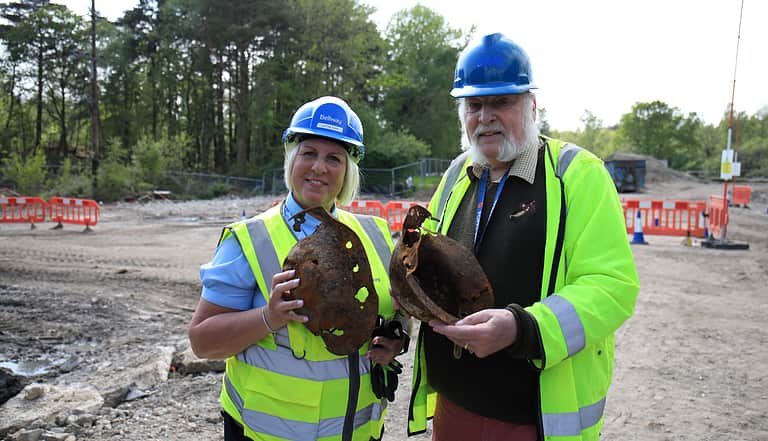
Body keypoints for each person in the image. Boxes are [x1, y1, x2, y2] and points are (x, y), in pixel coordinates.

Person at [406, 33, 640, 441]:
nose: (486, 116)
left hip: (532, 417)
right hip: (453, 407)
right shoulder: (458, 173)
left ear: (532, 105)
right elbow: (425, 263)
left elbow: (611, 287)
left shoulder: (577, 176)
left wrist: (522, 328)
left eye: (502, 102)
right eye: (474, 105)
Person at [189, 96, 409, 441]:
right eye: (309, 153)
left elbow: (390, 311)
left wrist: (395, 339)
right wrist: (269, 317)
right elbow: (203, 342)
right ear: (292, 158)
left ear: (348, 170)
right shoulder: (252, 239)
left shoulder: (375, 234)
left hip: (361, 432)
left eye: (334, 158)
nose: (319, 168)